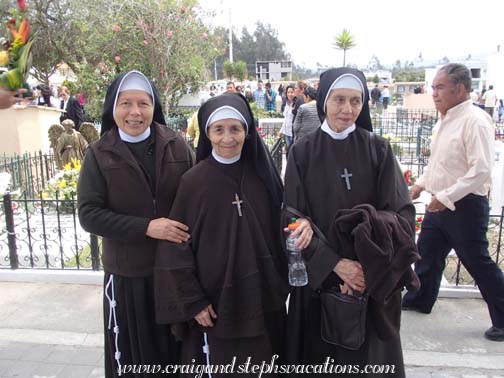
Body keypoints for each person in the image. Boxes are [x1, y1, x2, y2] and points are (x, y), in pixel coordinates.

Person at [284, 67, 420, 377]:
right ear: (324, 102)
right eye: (340, 100)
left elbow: (402, 215)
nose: (348, 110)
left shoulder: (379, 150)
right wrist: (335, 264)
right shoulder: (301, 153)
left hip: (370, 281)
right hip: (322, 282)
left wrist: (364, 268)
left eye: (356, 101)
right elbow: (291, 217)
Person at [154, 92, 289, 376]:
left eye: (235, 129)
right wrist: (194, 302)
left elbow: (280, 235)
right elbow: (175, 247)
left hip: (261, 300)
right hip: (213, 305)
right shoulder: (192, 182)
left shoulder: (262, 178)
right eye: (219, 129)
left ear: (247, 133)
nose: (228, 138)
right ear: (207, 134)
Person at [77, 70, 194, 377]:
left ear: (154, 106)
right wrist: (146, 227)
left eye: (143, 103)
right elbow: (89, 214)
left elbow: (198, 196)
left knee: (175, 356)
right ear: (112, 108)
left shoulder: (176, 146)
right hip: (127, 276)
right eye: (125, 103)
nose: (135, 112)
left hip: (173, 273)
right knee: (132, 359)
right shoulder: (99, 154)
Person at [402, 63, 504, 342]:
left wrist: (446, 198)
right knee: (427, 254)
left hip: (465, 206)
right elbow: (440, 164)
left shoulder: (475, 120)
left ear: (459, 89)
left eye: (439, 87)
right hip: (441, 203)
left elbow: (480, 170)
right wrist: (421, 185)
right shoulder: (444, 119)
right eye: (433, 87)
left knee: (478, 263)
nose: (433, 93)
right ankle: (421, 299)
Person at [279, 84, 295, 149]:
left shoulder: (296, 104)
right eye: (288, 92)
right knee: (289, 152)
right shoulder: (286, 103)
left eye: (292, 92)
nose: (290, 94)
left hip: (293, 134)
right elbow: (286, 119)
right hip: (287, 133)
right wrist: (281, 130)